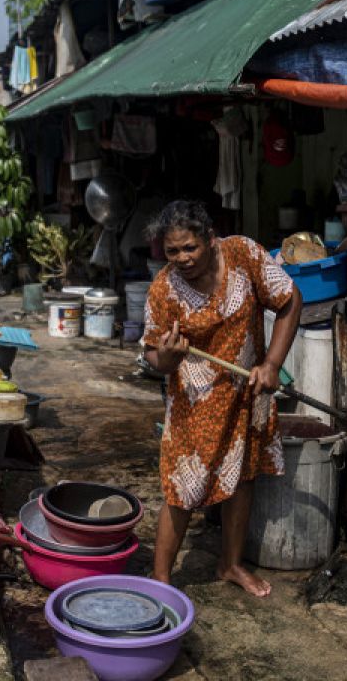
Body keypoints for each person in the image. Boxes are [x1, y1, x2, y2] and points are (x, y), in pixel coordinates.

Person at [142, 200, 301, 597]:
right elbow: (152, 356)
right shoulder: (164, 289)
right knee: (183, 488)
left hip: (247, 392)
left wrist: (272, 363)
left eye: (189, 248)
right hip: (194, 404)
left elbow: (290, 300)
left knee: (242, 476)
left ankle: (229, 564)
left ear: (210, 241)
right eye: (172, 251)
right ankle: (160, 580)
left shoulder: (243, 254)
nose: (181, 258)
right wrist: (167, 356)